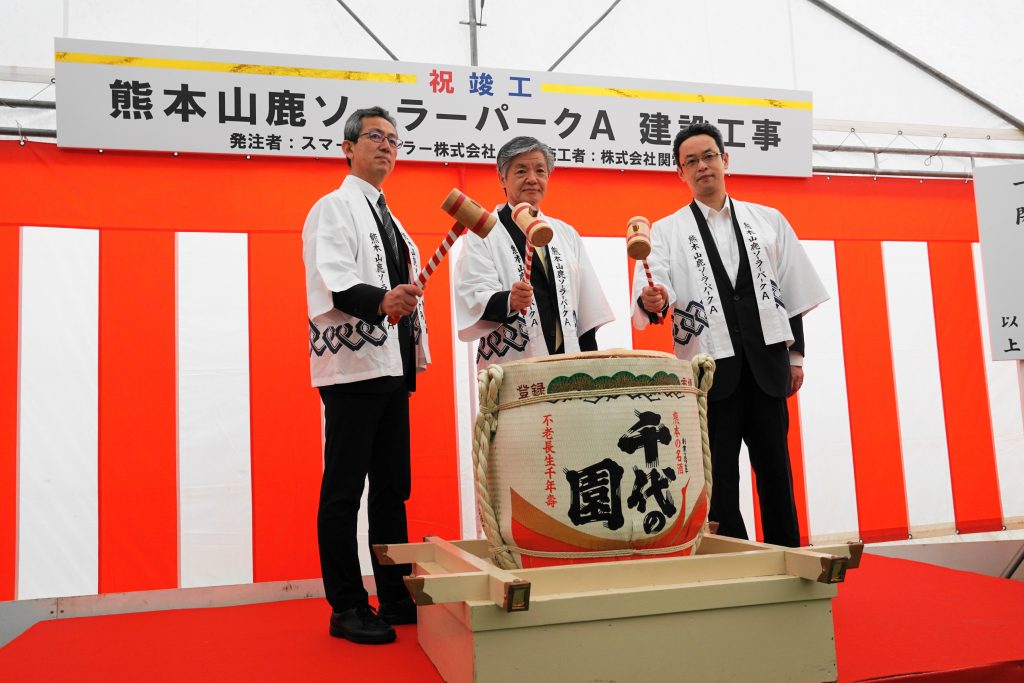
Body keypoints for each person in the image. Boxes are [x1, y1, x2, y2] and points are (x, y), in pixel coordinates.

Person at [632, 122, 829, 547]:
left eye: (709, 156)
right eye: (691, 161)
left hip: (767, 364)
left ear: (725, 159)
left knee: (776, 471)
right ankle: (732, 558)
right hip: (710, 371)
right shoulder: (666, 231)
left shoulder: (768, 220)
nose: (702, 166)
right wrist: (653, 298)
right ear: (680, 172)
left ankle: (787, 553)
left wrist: (795, 357)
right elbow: (656, 290)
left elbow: (791, 292)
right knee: (719, 476)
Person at [302, 106, 429, 645]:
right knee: (344, 489)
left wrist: (398, 301)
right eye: (375, 136)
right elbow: (331, 281)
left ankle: (394, 595)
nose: (386, 145)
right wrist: (382, 300)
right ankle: (347, 605)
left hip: (391, 366)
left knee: (391, 490)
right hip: (353, 370)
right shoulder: (333, 208)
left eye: (394, 140)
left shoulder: (389, 218)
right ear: (348, 147)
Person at [454, 136, 614, 367]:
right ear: (502, 178)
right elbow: (473, 295)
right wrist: (509, 300)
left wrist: (590, 367)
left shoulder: (566, 233)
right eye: (521, 171)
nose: (532, 179)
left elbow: (587, 309)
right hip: (513, 365)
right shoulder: (484, 232)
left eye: (540, 171)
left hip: (567, 363)